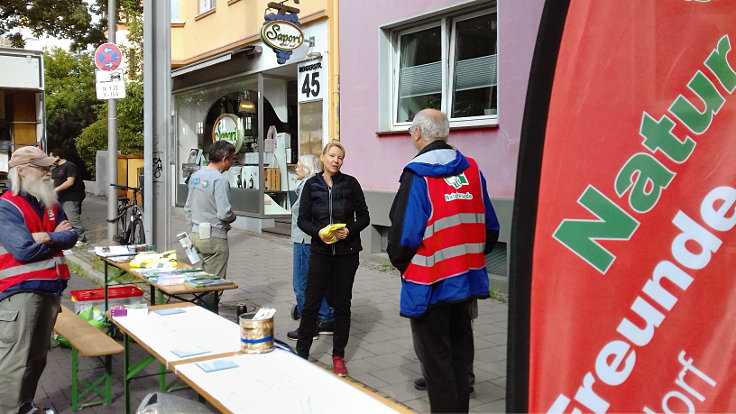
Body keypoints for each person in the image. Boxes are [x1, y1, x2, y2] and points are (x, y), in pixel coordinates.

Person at [387, 109, 499, 413]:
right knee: (460, 358)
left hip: (430, 284)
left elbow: (402, 237)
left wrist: (402, 264)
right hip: (465, 280)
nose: (411, 135)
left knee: (436, 363)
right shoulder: (472, 169)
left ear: (419, 134)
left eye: (411, 130)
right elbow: (491, 228)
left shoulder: (417, 175)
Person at [0, 146, 78, 414]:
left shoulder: (50, 203)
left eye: (49, 167)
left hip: (50, 289)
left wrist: (46, 236)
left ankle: (25, 405)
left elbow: (72, 236)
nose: (49, 172)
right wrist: (53, 236)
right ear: (21, 171)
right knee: (15, 360)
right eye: (42, 168)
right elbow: (23, 250)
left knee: (37, 358)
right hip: (19, 293)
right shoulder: (6, 206)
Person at [296, 141, 370, 377]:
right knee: (310, 303)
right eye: (332, 156)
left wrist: (350, 229)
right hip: (320, 251)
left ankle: (338, 356)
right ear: (323, 157)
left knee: (342, 305)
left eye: (340, 157)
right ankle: (302, 353)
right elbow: (302, 219)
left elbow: (365, 217)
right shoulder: (311, 185)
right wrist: (318, 232)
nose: (336, 160)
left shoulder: (351, 184)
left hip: (347, 254)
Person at [184, 140, 237, 313]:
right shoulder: (219, 180)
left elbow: (188, 207)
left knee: (204, 278)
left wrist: (191, 231)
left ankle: (204, 311)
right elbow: (224, 212)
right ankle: (207, 316)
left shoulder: (195, 176)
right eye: (232, 159)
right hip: (215, 237)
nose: (232, 163)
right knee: (214, 284)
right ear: (224, 158)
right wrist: (233, 216)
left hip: (197, 234)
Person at [287, 154, 335, 340]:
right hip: (310, 238)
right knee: (313, 282)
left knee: (301, 284)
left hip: (304, 239)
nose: (296, 169)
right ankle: (325, 318)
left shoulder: (308, 186)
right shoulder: (314, 185)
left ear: (307, 169)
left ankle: (310, 324)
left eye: (299, 166)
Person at [49, 147, 88, 245]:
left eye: (51, 157)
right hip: (59, 198)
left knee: (72, 217)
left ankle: (81, 238)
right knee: (63, 218)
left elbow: (70, 181)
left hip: (70, 197)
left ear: (57, 157)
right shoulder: (55, 169)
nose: (50, 160)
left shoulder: (69, 166)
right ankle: (70, 236)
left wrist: (55, 190)